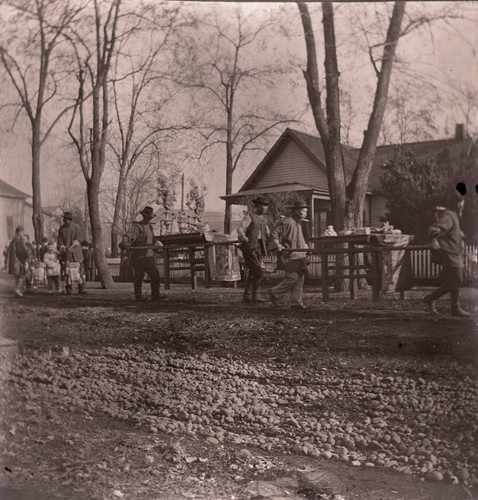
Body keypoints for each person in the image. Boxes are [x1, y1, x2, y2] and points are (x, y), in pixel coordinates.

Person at [423, 191, 470, 317]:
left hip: (454, 253)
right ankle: (434, 300)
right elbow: (435, 229)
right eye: (462, 202)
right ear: (458, 203)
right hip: (448, 253)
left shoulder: (453, 216)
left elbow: (454, 231)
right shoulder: (449, 216)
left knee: (454, 282)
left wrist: (461, 236)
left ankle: (452, 307)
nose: (463, 205)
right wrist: (434, 239)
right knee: (457, 280)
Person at [268, 199, 310, 310]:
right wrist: (278, 245)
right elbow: (275, 233)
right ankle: (275, 292)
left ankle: (296, 302)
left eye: (306, 211)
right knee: (292, 277)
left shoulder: (300, 224)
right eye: (303, 211)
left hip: (301, 254)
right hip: (290, 255)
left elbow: (301, 239)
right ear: (296, 211)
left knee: (300, 279)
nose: (305, 214)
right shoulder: (287, 222)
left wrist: (305, 246)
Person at [121, 206, 164, 301]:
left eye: (150, 217)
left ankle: (155, 295)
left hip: (149, 257)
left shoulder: (150, 227)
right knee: (138, 278)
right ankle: (138, 296)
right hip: (139, 257)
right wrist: (126, 244)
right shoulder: (137, 227)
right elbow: (126, 238)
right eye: (147, 217)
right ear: (143, 216)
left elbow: (152, 240)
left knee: (155, 276)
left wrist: (157, 245)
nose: (148, 219)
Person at [237, 196, 271, 303]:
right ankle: (255, 295)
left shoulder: (264, 218)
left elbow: (267, 231)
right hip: (249, 247)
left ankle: (247, 296)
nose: (265, 208)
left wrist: (271, 233)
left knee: (254, 272)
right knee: (258, 271)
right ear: (258, 206)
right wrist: (243, 236)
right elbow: (240, 228)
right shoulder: (250, 216)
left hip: (259, 248)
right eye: (263, 205)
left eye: (267, 206)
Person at [57, 211, 82, 294]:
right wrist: (63, 247)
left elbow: (78, 238)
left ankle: (81, 288)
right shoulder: (61, 229)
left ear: (71, 220)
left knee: (79, 270)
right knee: (66, 270)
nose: (67, 221)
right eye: (65, 219)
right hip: (66, 253)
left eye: (68, 220)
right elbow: (60, 241)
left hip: (76, 252)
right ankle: (69, 288)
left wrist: (73, 246)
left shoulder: (77, 227)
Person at [6, 226, 29, 297]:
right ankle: (18, 290)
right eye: (22, 232)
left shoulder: (12, 241)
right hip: (18, 262)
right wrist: (25, 259)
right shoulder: (18, 241)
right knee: (22, 276)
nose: (23, 234)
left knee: (16, 277)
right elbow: (22, 253)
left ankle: (16, 290)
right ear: (19, 232)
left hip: (13, 263)